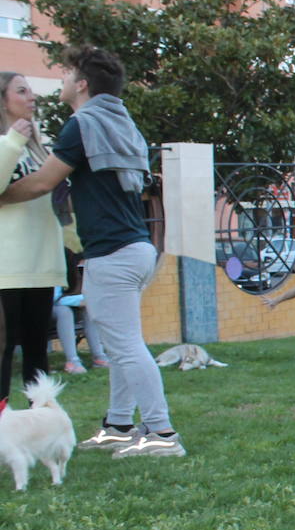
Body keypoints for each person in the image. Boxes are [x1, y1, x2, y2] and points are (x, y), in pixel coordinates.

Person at [0, 47, 184, 458]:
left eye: (67, 73)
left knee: (126, 347)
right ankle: (119, 425)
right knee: (123, 342)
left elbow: (42, 182)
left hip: (113, 253)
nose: (61, 80)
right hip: (135, 247)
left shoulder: (82, 124)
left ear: (82, 84)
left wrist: (2, 198)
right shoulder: (119, 121)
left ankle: (162, 433)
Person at [0, 72, 66, 404]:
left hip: (41, 265)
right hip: (6, 270)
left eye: (31, 91)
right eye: (22, 91)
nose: (31, 97)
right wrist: (11, 141)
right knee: (3, 351)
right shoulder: (6, 143)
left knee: (38, 353)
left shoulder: (40, 150)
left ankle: (42, 428)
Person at [53, 248, 110, 374]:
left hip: (65, 305)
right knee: (64, 311)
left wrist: (85, 300)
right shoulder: (53, 268)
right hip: (46, 310)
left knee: (88, 308)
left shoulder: (73, 269)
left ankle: (99, 356)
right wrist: (79, 300)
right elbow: (54, 298)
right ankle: (72, 361)